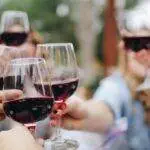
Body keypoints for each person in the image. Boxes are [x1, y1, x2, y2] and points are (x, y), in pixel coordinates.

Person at [50, 11, 150, 149]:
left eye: (148, 45)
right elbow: (105, 108)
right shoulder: (117, 85)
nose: (142, 52)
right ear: (124, 50)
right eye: (135, 45)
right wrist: (84, 111)